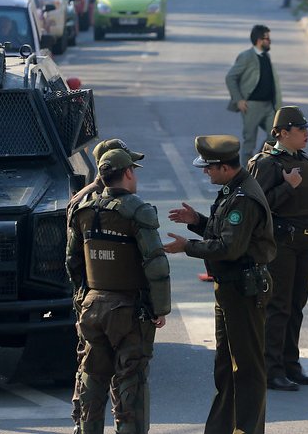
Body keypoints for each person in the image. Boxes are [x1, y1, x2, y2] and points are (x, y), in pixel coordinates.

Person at [163, 135, 276, 434]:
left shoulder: (243, 198)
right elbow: (227, 232)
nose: (205, 172)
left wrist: (188, 246)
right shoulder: (233, 190)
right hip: (230, 287)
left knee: (248, 368)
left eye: (209, 168)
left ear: (225, 167)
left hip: (243, 289)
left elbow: (229, 248)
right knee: (225, 367)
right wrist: (197, 220)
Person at [65, 148, 170, 434]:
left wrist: (82, 299)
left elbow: (73, 261)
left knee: (91, 378)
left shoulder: (83, 210)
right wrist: (160, 309)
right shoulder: (137, 211)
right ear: (127, 173)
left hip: (92, 305)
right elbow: (156, 265)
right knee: (130, 381)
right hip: (128, 310)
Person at [248, 106, 308, 392]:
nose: (306, 134)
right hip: (281, 243)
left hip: (305, 242)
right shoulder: (267, 163)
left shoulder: (302, 160)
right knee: (278, 306)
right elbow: (256, 206)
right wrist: (288, 186)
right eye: (300, 130)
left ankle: (290, 363)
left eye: (306, 130)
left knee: (296, 305)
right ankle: (272, 368)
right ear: (283, 133)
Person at [226, 24, 283, 163]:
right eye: (267, 38)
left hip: (269, 106)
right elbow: (230, 77)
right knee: (249, 142)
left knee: (276, 136)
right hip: (251, 106)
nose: (269, 41)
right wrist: (238, 99)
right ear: (259, 40)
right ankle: (246, 175)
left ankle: (257, 163)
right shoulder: (246, 56)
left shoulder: (266, 56)